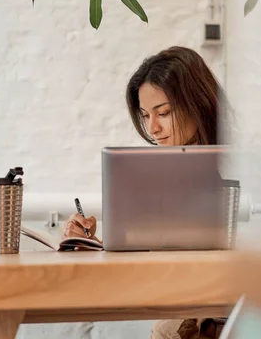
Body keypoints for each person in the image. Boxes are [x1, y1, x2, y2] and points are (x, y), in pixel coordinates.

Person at [61, 46, 232, 338]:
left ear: (198, 103)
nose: (153, 128)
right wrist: (94, 244)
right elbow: (153, 262)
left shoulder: (236, 168)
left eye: (163, 113)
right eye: (145, 115)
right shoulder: (164, 176)